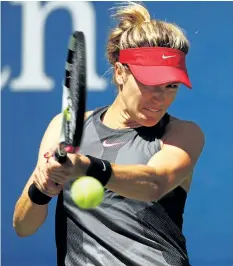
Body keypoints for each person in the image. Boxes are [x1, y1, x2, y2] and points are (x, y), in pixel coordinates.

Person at [13, 2, 205, 266]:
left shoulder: (182, 133)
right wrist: (42, 188)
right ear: (119, 73)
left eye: (171, 86)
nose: (161, 98)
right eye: (150, 83)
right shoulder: (62, 126)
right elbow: (23, 227)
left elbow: (154, 183)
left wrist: (86, 166)